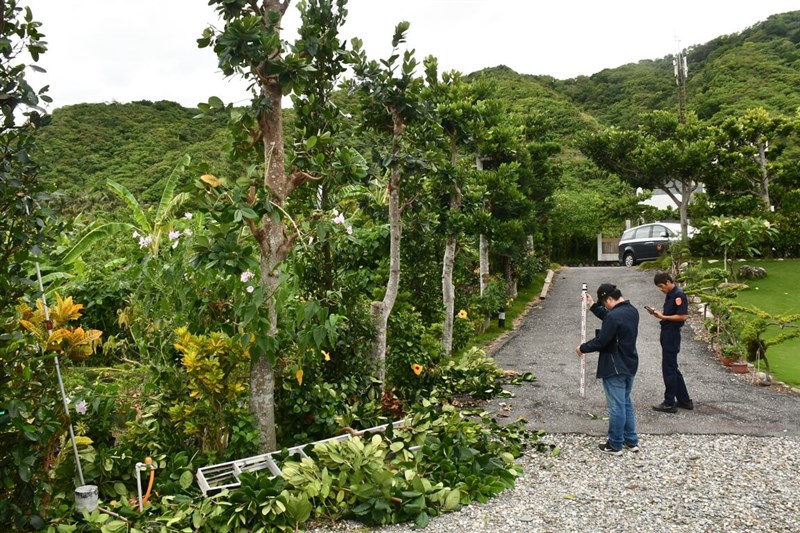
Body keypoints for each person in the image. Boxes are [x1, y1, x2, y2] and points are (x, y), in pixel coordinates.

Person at [576, 283, 640, 455]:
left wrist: (583, 348)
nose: (605, 308)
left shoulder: (614, 317)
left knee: (616, 407)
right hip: (629, 363)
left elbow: (602, 340)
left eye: (604, 304)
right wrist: (593, 307)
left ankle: (615, 445)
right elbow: (611, 318)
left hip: (614, 366)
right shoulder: (632, 311)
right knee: (625, 403)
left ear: (609, 299)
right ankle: (631, 441)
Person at [648, 272, 694, 413]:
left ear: (669, 281)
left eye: (662, 286)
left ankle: (669, 402)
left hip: (672, 334)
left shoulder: (678, 295)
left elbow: (683, 316)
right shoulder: (670, 295)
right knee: (672, 368)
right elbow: (670, 312)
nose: (661, 289)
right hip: (667, 332)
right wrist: (659, 313)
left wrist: (663, 316)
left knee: (668, 368)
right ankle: (684, 400)